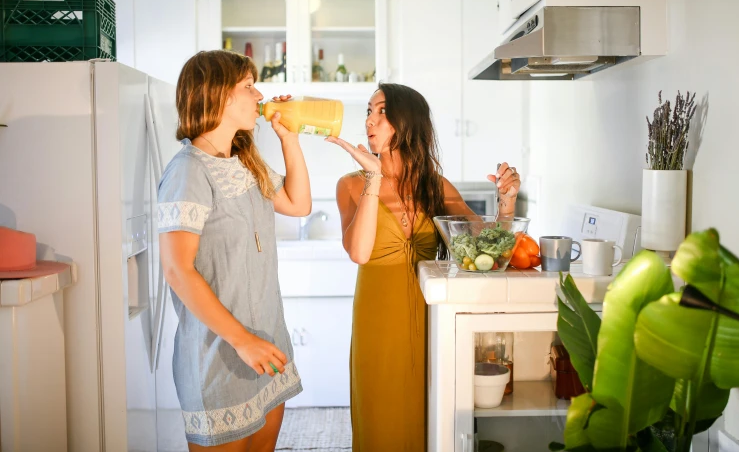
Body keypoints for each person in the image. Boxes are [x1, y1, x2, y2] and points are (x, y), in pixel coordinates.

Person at [326, 82, 520, 451]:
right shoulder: (349, 185)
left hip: (433, 317)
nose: (370, 120)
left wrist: (506, 204)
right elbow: (359, 252)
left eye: (381, 111)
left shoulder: (436, 186)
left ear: (407, 121)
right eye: (368, 111)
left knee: (431, 415)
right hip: (377, 317)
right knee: (380, 415)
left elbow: (485, 247)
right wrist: (372, 178)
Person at [158, 50, 312, 452]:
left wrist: (288, 139)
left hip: (266, 348)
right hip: (221, 358)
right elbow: (177, 270)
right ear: (218, 95)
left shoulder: (245, 160)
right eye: (247, 86)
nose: (258, 94)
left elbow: (298, 205)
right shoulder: (189, 171)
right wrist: (242, 340)